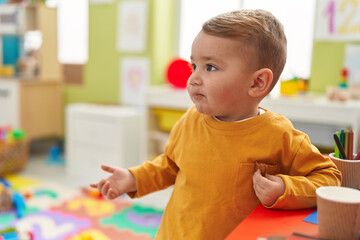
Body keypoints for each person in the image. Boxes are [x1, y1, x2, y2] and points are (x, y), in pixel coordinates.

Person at [91, 9, 341, 239]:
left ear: (257, 83)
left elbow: (330, 177)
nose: (193, 78)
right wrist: (133, 178)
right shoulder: (191, 119)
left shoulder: (279, 134)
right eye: (194, 65)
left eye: (210, 67)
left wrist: (285, 188)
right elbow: (169, 165)